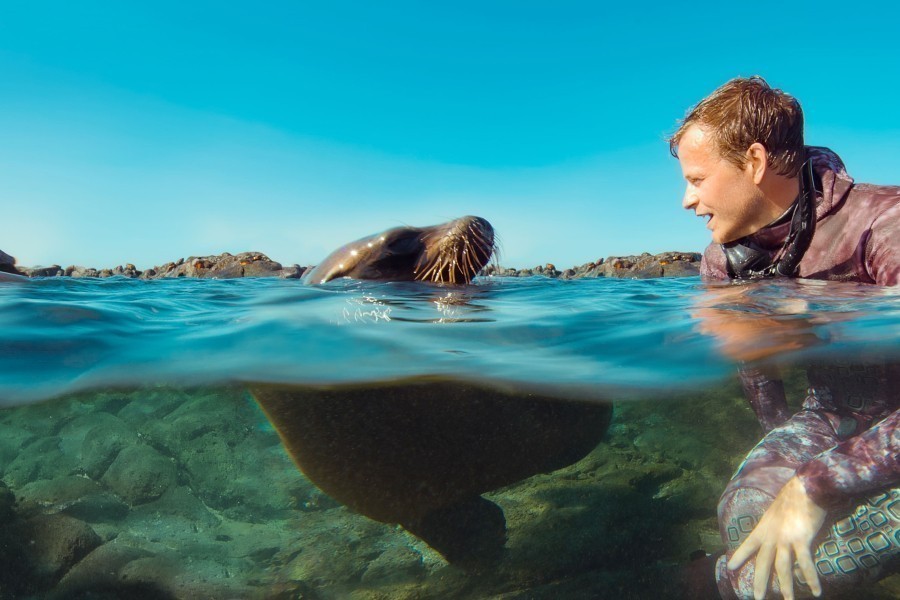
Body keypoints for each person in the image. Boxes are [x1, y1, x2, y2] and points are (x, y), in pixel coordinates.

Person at [669, 76, 900, 599]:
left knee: (777, 578)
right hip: (832, 413)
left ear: (753, 162)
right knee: (744, 516)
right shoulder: (722, 261)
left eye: (698, 179)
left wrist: (813, 484)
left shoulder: (885, 222)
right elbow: (755, 365)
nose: (687, 200)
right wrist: (786, 455)